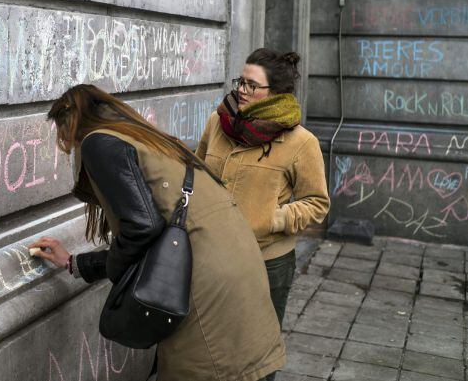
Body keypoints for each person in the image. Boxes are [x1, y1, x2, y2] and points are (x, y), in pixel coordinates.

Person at [30, 84, 285, 381]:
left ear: (70, 125)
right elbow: (152, 233)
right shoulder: (147, 138)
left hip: (205, 287)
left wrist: (111, 276)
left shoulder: (97, 142)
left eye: (65, 140)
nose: (68, 148)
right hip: (238, 273)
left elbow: (142, 228)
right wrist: (75, 263)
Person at [196, 48, 330, 338]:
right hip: (210, 253)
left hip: (267, 262)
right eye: (240, 82)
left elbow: (317, 203)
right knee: (209, 345)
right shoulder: (217, 123)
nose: (241, 90)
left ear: (276, 93)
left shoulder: (301, 142)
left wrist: (273, 219)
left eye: (251, 85)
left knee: (257, 350)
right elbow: (197, 174)